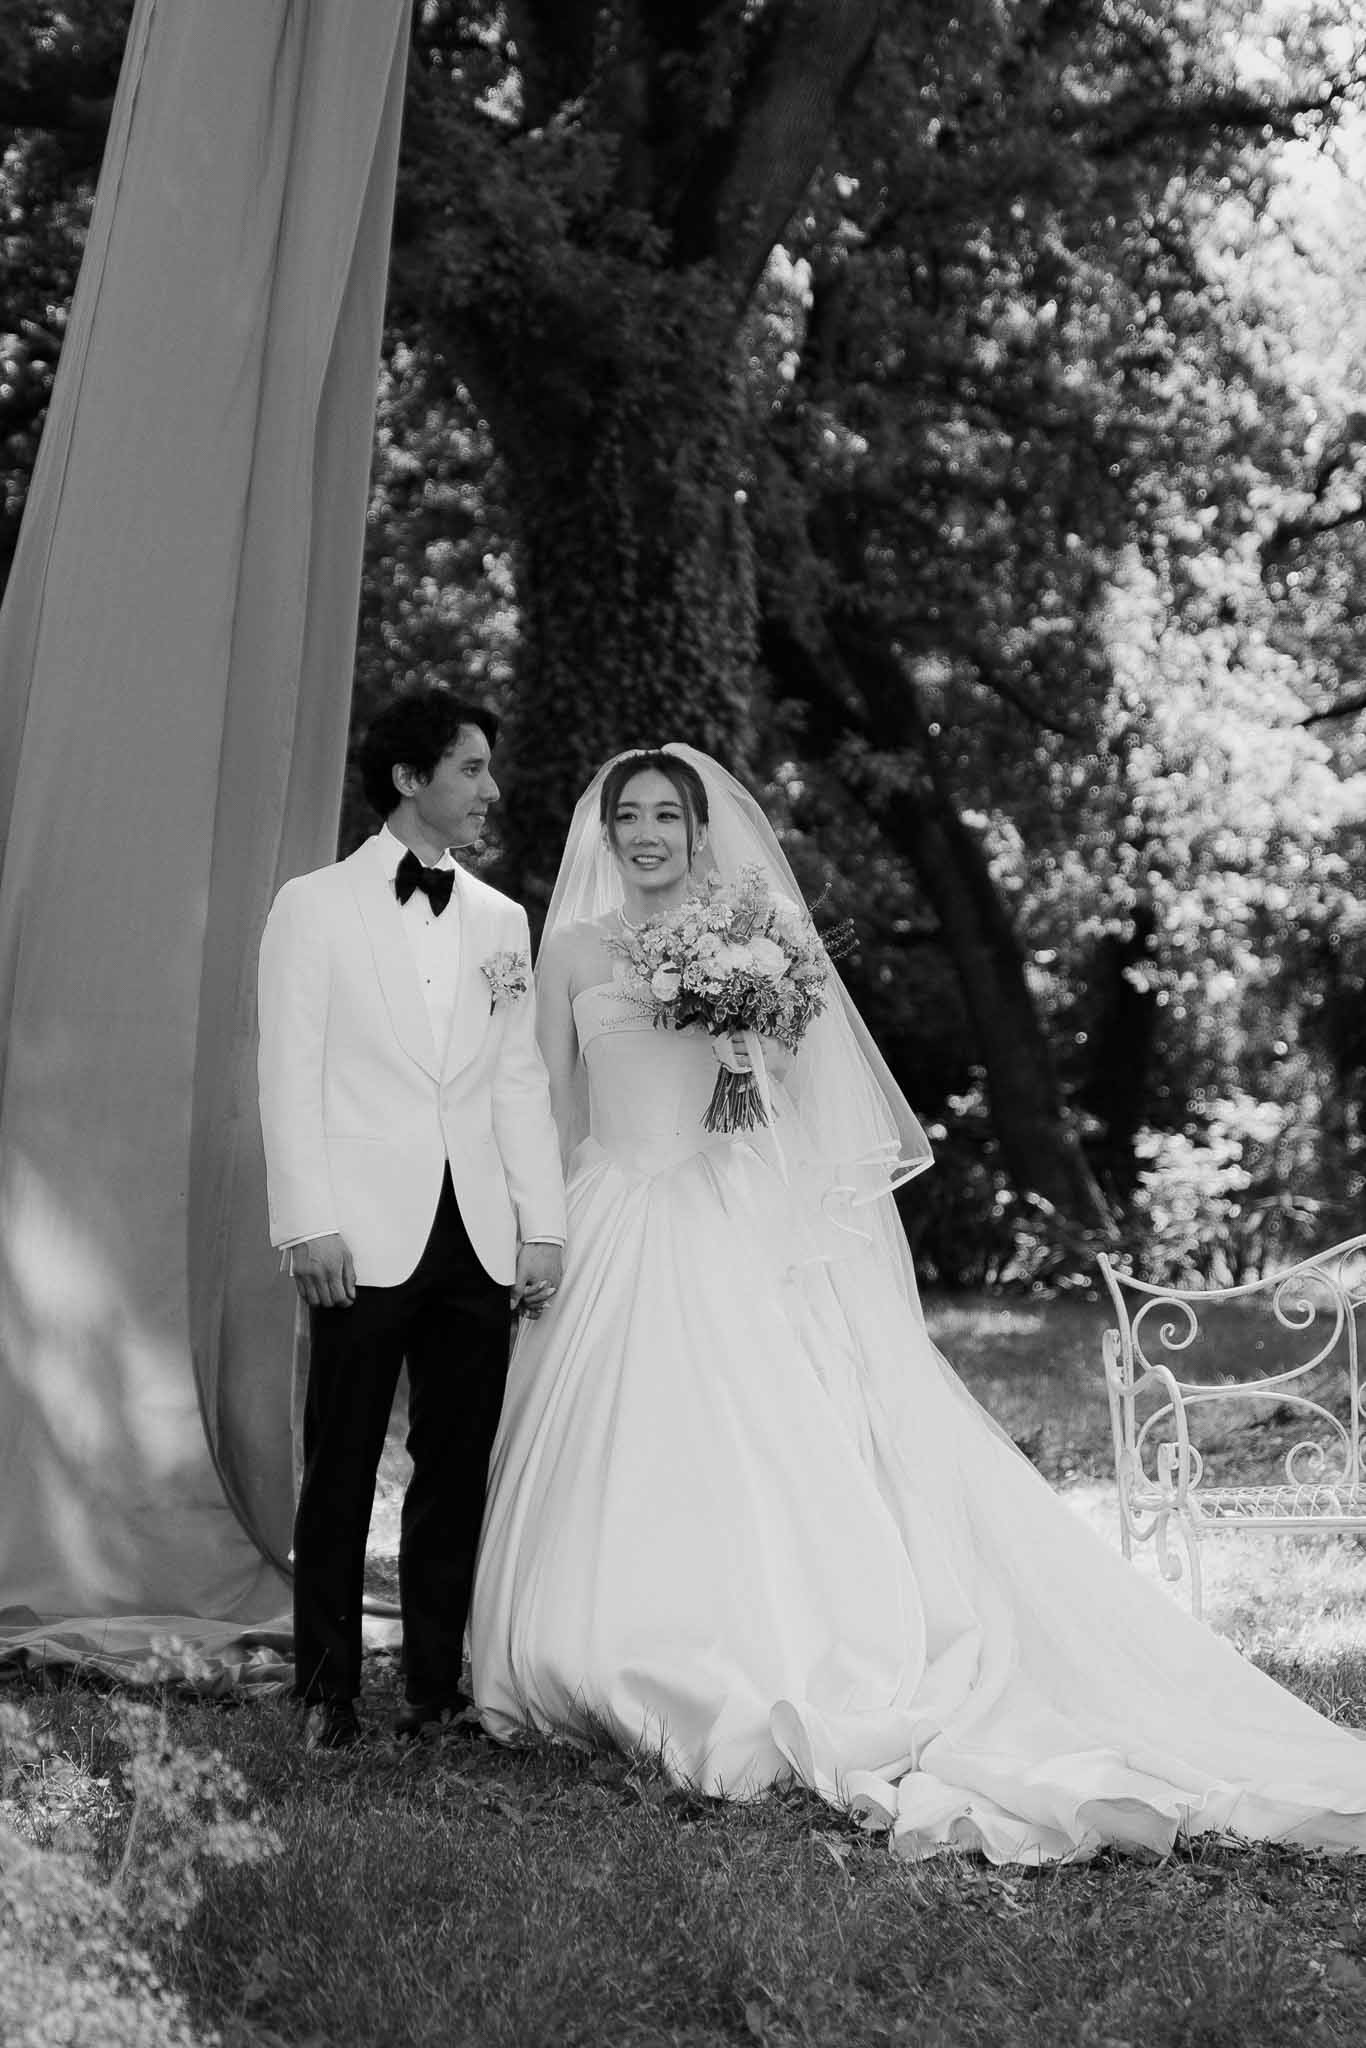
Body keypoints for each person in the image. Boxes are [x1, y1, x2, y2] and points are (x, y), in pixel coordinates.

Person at [470, 743, 1366, 1863]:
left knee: (758, 1434)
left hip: (725, 1215)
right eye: (628, 815)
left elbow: (801, 1098)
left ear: (700, 832)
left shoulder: (753, 935)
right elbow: (548, 1100)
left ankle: (747, 1651)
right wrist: (542, 1228)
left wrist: (754, 1045)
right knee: (611, 1436)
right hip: (611, 1211)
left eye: (667, 815)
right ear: (605, 833)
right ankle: (582, 1647)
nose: (646, 832)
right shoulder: (567, 949)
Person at [258, 689, 566, 1749]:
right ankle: (325, 1692)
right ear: (408, 778)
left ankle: (435, 1689)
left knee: (454, 1468)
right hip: (358, 1233)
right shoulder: (311, 905)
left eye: (486, 768)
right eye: (470, 767)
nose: (488, 788)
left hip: (476, 1236)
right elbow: (286, 1075)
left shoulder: (499, 920)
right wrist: (306, 1222)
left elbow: (517, 1081)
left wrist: (544, 1225)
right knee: (339, 1465)